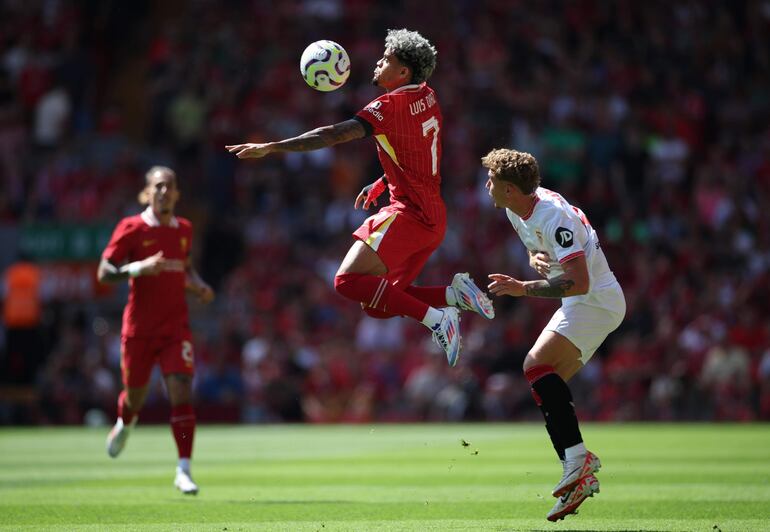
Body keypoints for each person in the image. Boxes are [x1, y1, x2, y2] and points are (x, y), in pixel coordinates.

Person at [226, 29, 494, 365]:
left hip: (411, 214)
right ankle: (453, 295)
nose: (379, 63)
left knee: (346, 281)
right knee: (378, 305)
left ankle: (439, 319)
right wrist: (384, 180)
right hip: (433, 216)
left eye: (387, 60)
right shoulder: (428, 95)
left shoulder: (388, 106)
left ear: (403, 73)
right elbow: (418, 152)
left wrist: (272, 147)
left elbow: (333, 134)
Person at [481, 149, 625, 522]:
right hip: (583, 302)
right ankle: (576, 470)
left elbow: (579, 281)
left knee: (536, 365)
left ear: (511, 189)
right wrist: (537, 261)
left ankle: (577, 461)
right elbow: (542, 253)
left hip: (596, 300)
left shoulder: (551, 214)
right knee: (542, 378)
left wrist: (523, 288)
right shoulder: (518, 209)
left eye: (493, 181)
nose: (487, 186)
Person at [97, 166, 214, 495]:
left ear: (177, 193)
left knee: (181, 391)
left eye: (170, 186)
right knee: (136, 396)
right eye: (158, 187)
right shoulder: (131, 228)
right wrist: (138, 268)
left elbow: (185, 268)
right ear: (147, 193)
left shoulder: (185, 230)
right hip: (139, 330)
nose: (164, 192)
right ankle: (125, 421)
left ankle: (184, 469)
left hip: (175, 327)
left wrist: (200, 286)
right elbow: (104, 272)